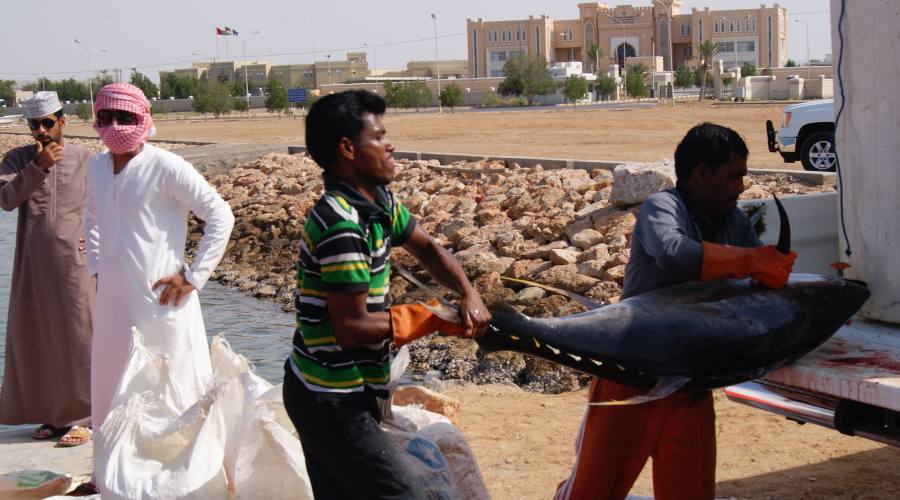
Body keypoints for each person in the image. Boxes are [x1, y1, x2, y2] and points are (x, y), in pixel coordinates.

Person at [555, 123, 797, 500]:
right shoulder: (661, 207)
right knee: (593, 492)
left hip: (691, 384)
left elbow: (755, 286)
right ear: (702, 173)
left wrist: (774, 275)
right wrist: (753, 260)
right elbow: (676, 254)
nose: (741, 186)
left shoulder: (734, 222)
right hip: (629, 377)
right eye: (733, 175)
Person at [282, 90, 492, 499]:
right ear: (348, 149)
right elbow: (350, 326)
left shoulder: (378, 204)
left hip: (345, 389)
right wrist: (431, 317)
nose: (390, 144)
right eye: (379, 136)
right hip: (329, 399)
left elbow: (429, 249)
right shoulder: (340, 224)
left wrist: (468, 292)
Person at [84, 82, 234, 450]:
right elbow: (90, 217)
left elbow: (220, 216)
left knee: (172, 386)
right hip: (113, 303)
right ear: (96, 121)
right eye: (106, 117)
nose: (115, 125)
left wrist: (194, 277)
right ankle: (112, 470)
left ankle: (177, 478)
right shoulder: (97, 167)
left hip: (162, 302)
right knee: (111, 382)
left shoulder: (166, 166)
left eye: (125, 117)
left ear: (143, 119)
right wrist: (98, 269)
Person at [0, 91, 94, 447]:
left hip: (76, 264)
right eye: (34, 124)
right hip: (33, 265)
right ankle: (53, 418)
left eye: (47, 123)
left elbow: (104, 206)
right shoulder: (17, 160)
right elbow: (7, 201)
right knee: (38, 339)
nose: (41, 131)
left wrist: (95, 241)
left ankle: (85, 417)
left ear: (62, 121)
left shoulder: (86, 160)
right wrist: (37, 168)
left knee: (79, 339)